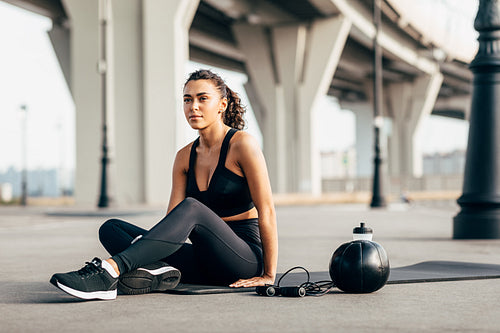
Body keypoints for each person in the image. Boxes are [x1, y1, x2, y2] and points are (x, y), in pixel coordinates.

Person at [50, 69, 278, 300]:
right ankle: (158, 269)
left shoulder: (242, 145)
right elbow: (172, 220)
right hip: (202, 263)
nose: (193, 106)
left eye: (203, 98)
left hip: (241, 261)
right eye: (187, 100)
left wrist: (268, 274)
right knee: (111, 228)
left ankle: (110, 271)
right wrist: (147, 247)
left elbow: (267, 211)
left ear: (222, 104)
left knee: (192, 207)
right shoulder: (184, 157)